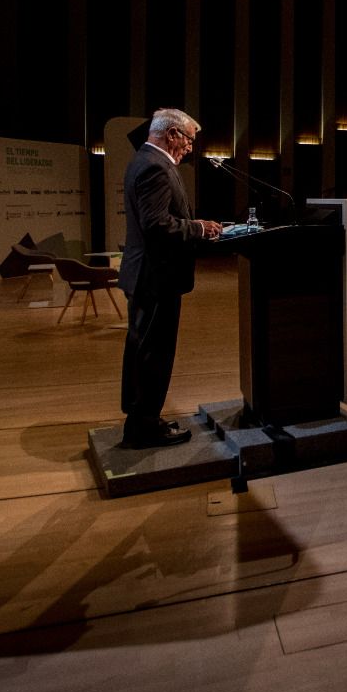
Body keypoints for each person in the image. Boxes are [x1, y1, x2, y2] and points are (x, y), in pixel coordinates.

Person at [118, 108, 224, 449]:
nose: (191, 147)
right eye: (189, 139)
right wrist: (199, 228)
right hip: (156, 278)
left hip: (148, 276)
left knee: (144, 350)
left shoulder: (145, 160)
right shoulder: (155, 167)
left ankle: (142, 419)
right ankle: (144, 427)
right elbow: (156, 225)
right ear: (172, 135)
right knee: (154, 354)